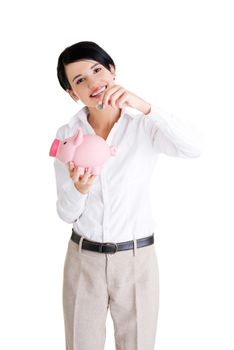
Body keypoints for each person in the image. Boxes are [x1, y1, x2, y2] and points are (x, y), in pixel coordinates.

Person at [53, 41, 203, 350]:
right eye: (80, 80)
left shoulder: (144, 128)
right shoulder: (67, 136)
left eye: (97, 70)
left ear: (112, 70)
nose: (94, 83)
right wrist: (79, 190)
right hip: (84, 260)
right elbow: (67, 213)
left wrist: (146, 106)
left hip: (137, 261)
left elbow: (194, 148)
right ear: (72, 93)